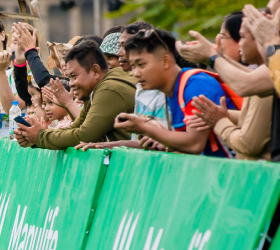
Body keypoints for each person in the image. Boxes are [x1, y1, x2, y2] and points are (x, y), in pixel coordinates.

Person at [114, 28, 239, 157]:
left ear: (165, 61)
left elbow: (195, 144)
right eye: (133, 66)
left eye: (141, 65)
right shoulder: (174, 90)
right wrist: (163, 142)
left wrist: (144, 128)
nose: (136, 73)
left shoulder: (196, 86)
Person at [14, 39, 136, 150]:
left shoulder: (110, 89)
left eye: (74, 77)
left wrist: (40, 136)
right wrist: (36, 137)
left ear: (95, 71)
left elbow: (84, 135)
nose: (71, 84)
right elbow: (76, 127)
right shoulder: (96, 90)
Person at [188, 14, 271, 160]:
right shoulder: (262, 75)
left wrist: (220, 122)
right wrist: (222, 114)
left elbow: (248, 144)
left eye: (243, 37)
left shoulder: (265, 83)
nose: (240, 44)